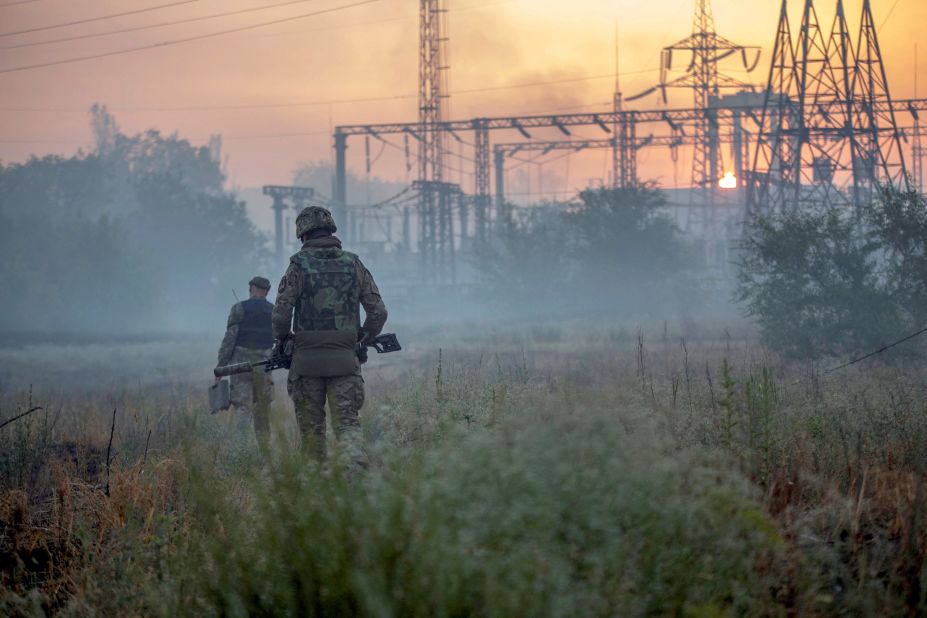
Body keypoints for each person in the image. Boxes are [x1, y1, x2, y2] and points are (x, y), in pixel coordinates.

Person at [272, 206, 387, 475]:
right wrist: (362, 339)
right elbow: (378, 312)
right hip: (345, 363)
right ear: (331, 229)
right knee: (348, 427)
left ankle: (316, 496)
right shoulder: (353, 264)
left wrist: (284, 341)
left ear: (302, 234)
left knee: (312, 437)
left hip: (306, 365)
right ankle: (355, 488)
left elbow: (280, 315)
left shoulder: (297, 267)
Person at [216, 276, 275, 439]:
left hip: (241, 366)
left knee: (243, 408)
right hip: (264, 367)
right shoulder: (274, 310)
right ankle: (264, 452)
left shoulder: (238, 308)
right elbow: (279, 340)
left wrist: (220, 367)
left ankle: (241, 451)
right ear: (267, 291)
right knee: (262, 409)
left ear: (251, 289)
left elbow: (229, 340)